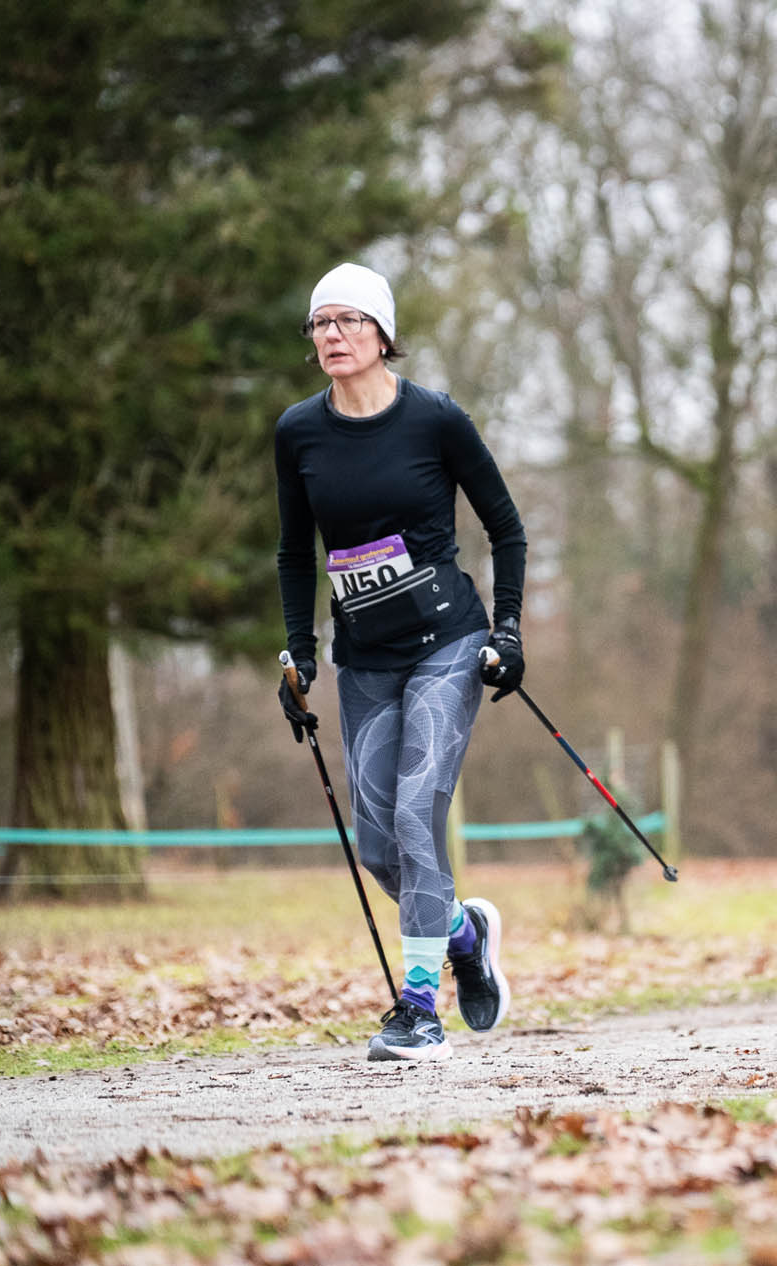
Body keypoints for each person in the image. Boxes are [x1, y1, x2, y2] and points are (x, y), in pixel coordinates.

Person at [273, 262, 527, 1061]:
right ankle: (463, 934)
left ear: (383, 334)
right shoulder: (298, 432)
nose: (333, 334)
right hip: (367, 659)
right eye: (321, 323)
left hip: (449, 642)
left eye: (350, 320)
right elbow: (294, 553)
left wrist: (510, 631)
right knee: (381, 846)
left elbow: (506, 528)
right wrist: (300, 654)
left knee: (418, 814)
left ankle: (419, 1010)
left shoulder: (435, 420)